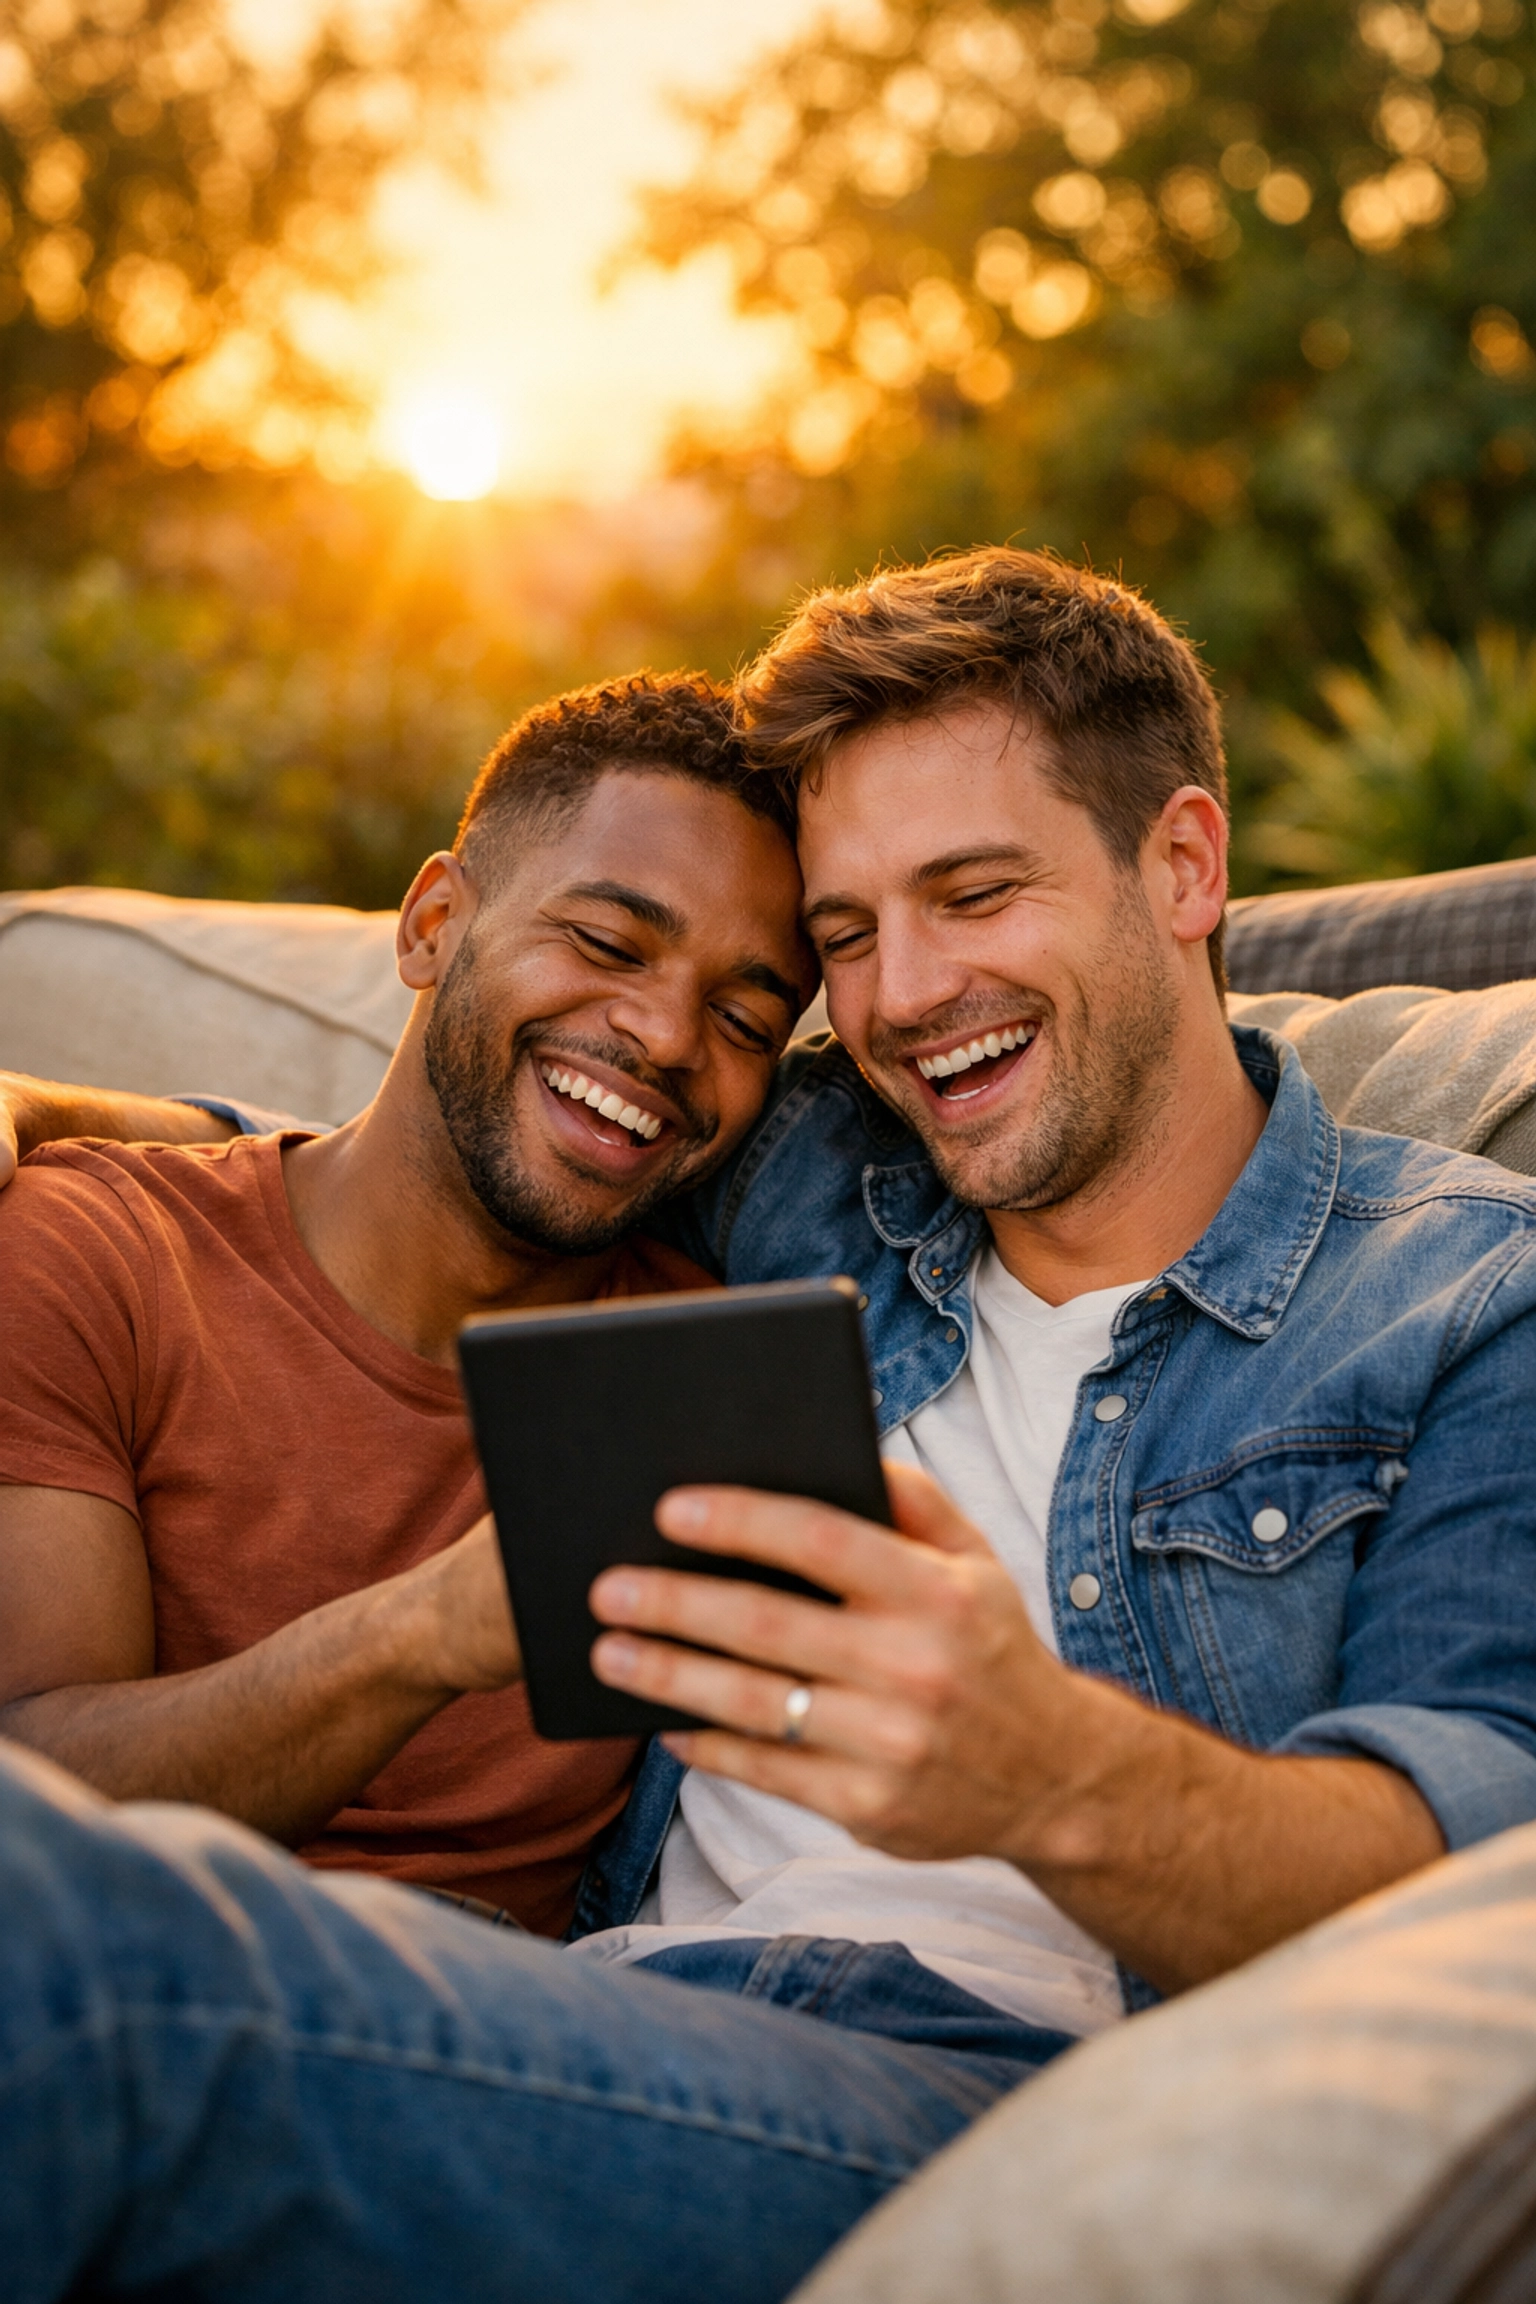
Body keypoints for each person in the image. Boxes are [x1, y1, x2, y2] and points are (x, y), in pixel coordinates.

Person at [3, 549, 1535, 2301]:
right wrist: (53, 1106)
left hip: (994, 2081)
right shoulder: (821, 1170)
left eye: (971, 893)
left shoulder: (1465, 1299)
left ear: (1182, 864)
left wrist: (1044, 1768)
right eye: (847, 936)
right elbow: (468, 1126)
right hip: (605, 2016)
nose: (899, 997)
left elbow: (1477, 1874)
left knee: (66, 1932)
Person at [0, 670, 814, 1931]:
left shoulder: (722, 1354)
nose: (662, 1035)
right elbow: (27, 1802)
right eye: (605, 943)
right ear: (433, 923)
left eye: (746, 1017)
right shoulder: (95, 1247)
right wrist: (432, 1631)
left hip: (526, 2052)